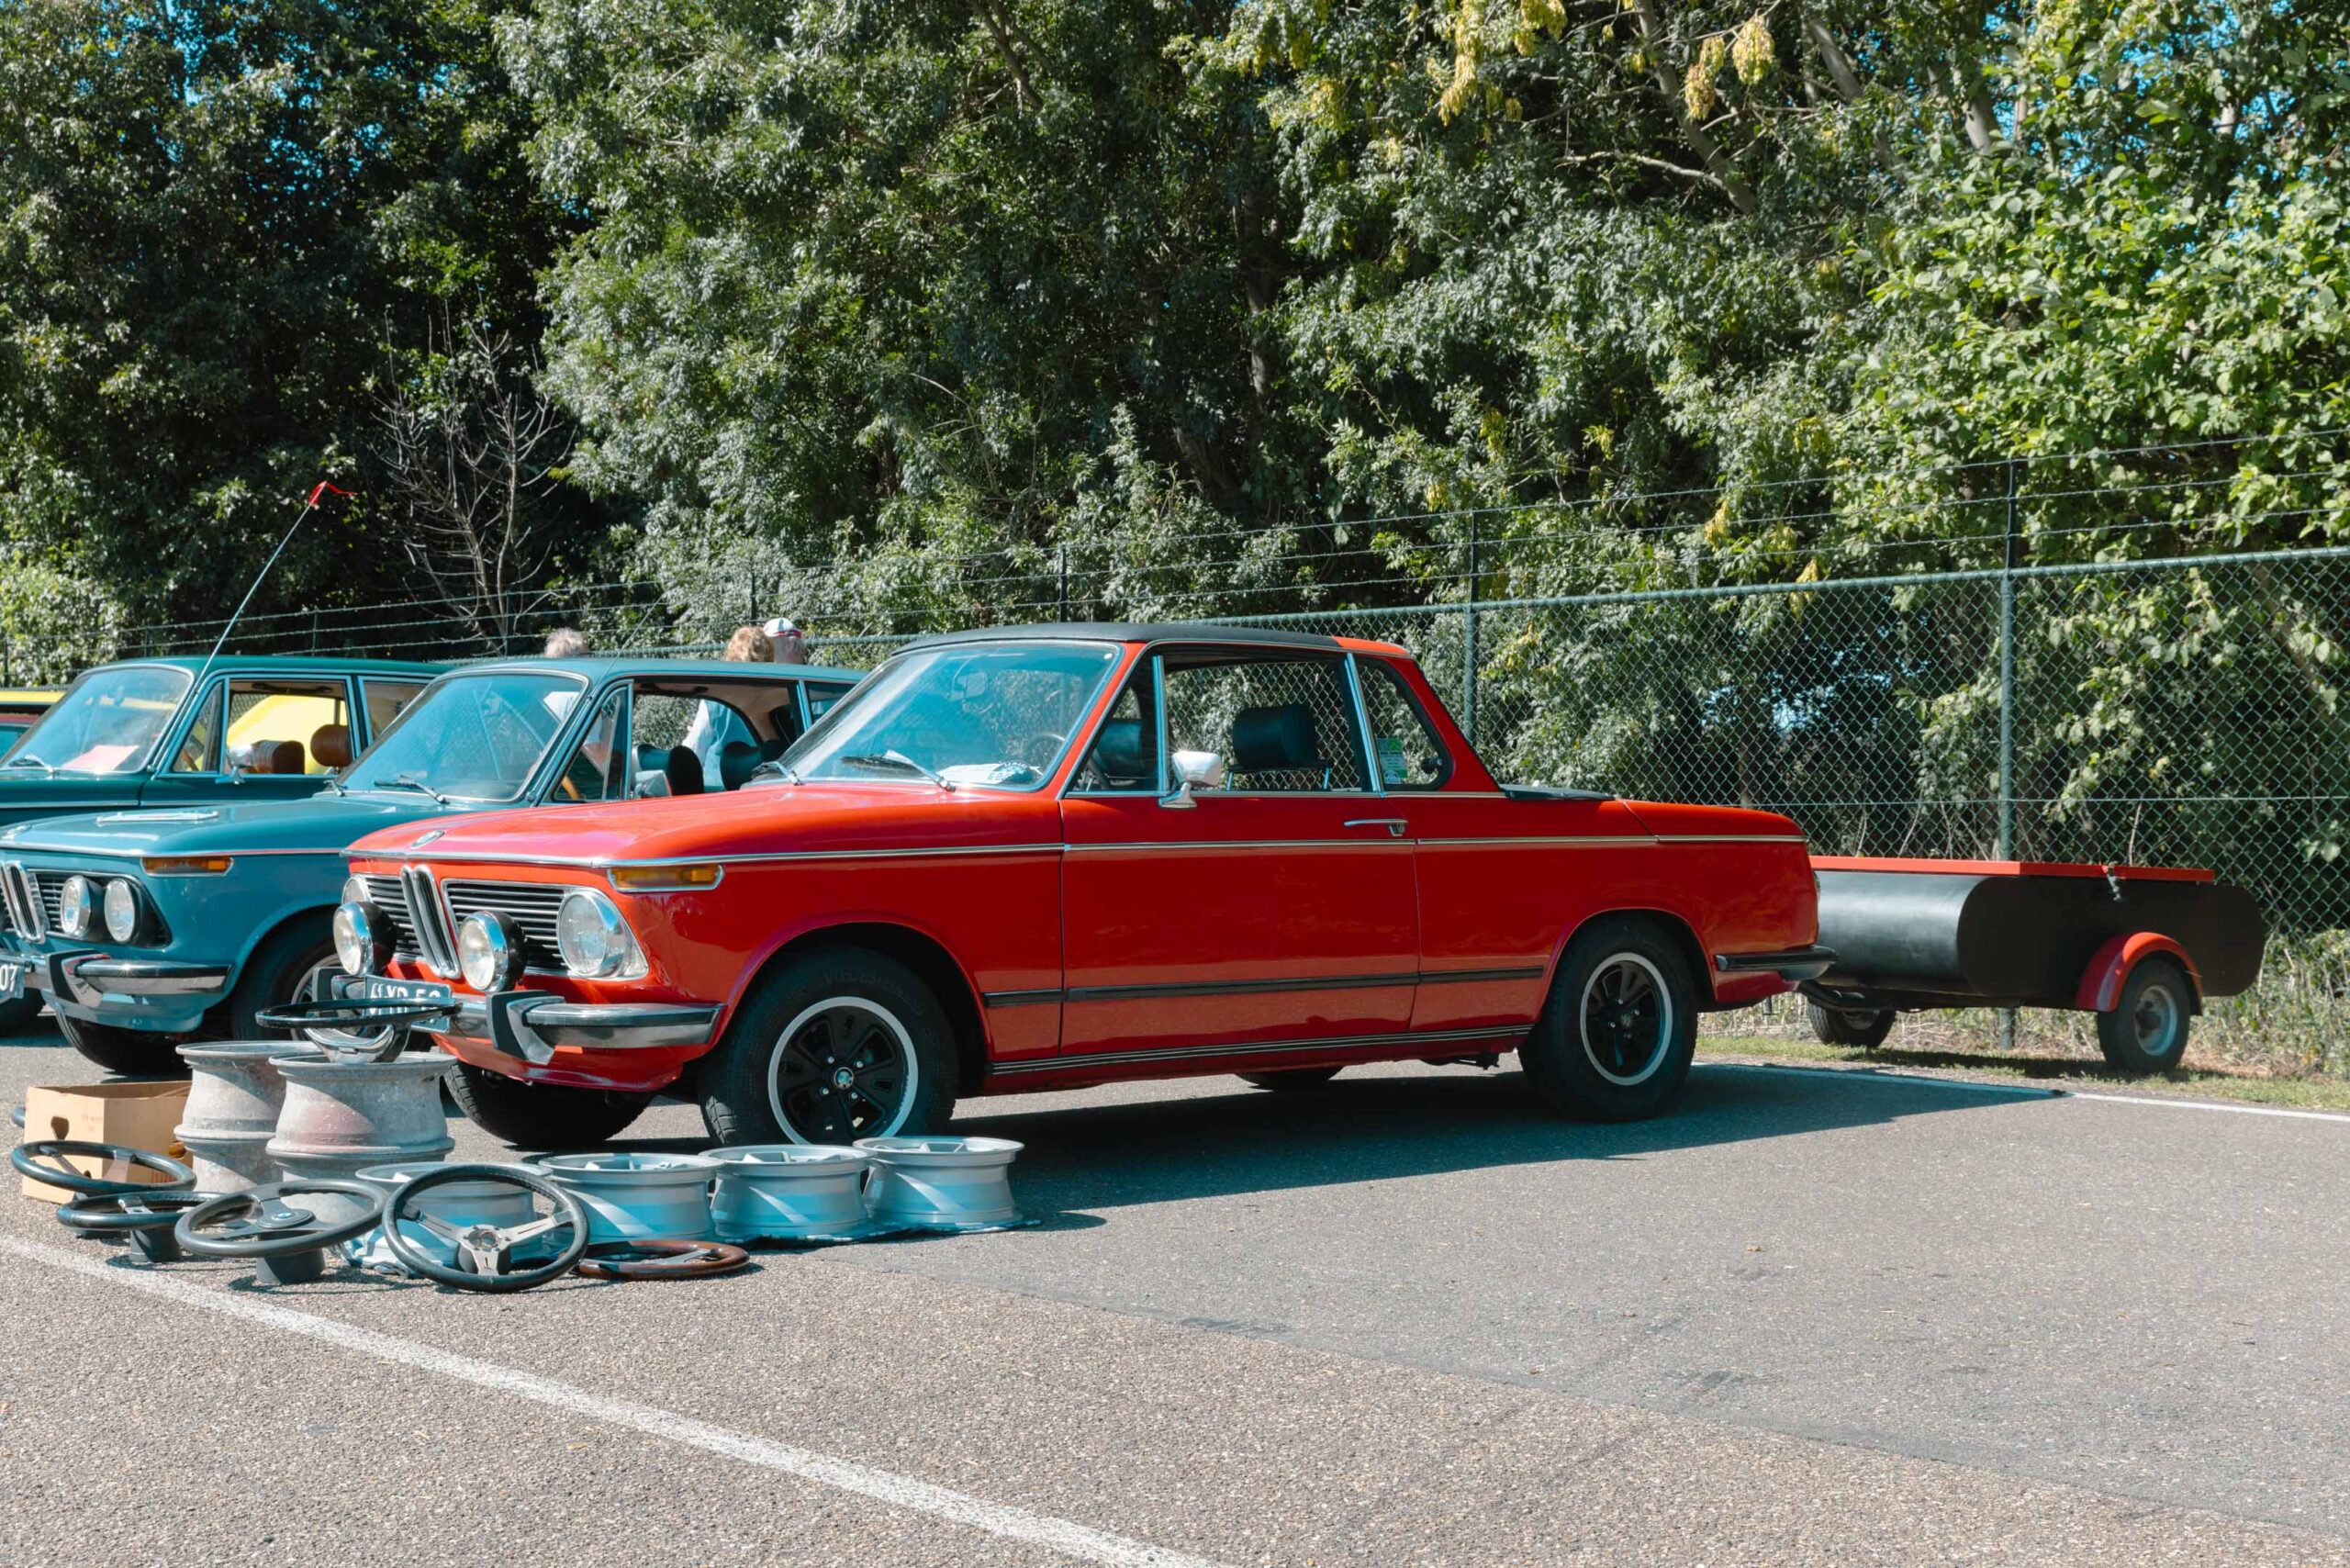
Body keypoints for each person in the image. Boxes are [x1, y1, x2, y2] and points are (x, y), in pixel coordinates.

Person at [682, 624, 768, 790]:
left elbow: (694, 750)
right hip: (762, 788)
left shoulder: (713, 701)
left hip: (717, 791)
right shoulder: (776, 697)